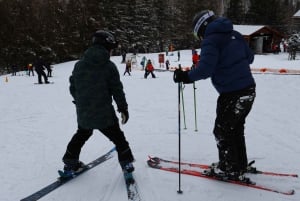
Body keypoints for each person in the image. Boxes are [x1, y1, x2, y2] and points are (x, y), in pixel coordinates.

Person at [173, 10, 256, 180]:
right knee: (235, 129)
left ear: (202, 28)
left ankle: (229, 168)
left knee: (223, 131)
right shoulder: (235, 34)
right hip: (249, 90)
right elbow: (250, 58)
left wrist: (186, 76)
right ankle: (238, 163)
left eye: (199, 35)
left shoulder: (211, 40)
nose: (201, 39)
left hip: (232, 94)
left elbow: (205, 69)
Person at [61, 30, 135, 176]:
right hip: (104, 114)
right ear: (106, 46)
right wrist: (123, 109)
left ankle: (70, 163)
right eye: (111, 47)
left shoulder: (79, 65)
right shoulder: (108, 66)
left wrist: (81, 102)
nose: (112, 50)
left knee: (81, 135)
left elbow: (73, 87)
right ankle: (126, 164)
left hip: (84, 113)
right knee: (119, 139)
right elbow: (117, 90)